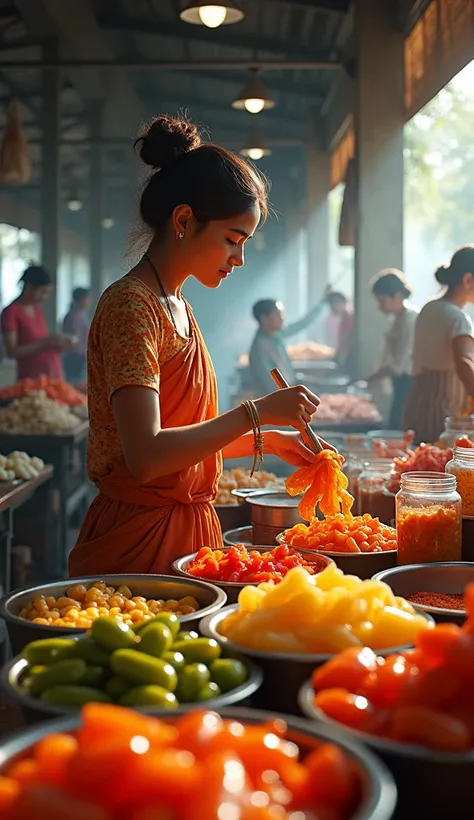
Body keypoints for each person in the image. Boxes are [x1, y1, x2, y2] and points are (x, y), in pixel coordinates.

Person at [69, 114, 323, 578]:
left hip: (189, 534)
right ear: (184, 219)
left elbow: (181, 443)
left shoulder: (177, 304)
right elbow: (148, 458)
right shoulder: (132, 307)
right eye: (232, 239)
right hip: (139, 539)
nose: (239, 258)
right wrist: (257, 413)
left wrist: (265, 441)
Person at [404, 246, 474, 443]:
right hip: (446, 408)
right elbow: (464, 362)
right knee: (443, 467)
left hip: (419, 402)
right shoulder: (458, 318)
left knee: (420, 467)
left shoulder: (428, 309)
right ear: (467, 280)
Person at [366, 269, 419, 429]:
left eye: (382, 301)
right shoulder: (397, 320)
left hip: (410, 383)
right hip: (400, 382)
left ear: (397, 296)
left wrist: (375, 376)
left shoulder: (412, 319)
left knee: (401, 427)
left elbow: (400, 365)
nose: (380, 307)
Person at [1, 265, 72, 380]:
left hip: (51, 373)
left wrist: (57, 344)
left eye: (47, 293)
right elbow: (12, 351)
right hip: (31, 378)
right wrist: (46, 343)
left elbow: (40, 341)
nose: (44, 297)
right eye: (42, 292)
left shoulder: (37, 310)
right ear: (28, 287)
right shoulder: (11, 312)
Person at [248, 296, 327, 395]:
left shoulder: (276, 336)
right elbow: (272, 387)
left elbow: (301, 324)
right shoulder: (260, 349)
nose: (283, 318)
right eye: (278, 315)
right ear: (264, 318)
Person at [62, 287, 91, 382]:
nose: (89, 301)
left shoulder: (81, 315)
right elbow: (75, 339)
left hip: (79, 355)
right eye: (88, 298)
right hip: (75, 356)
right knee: (75, 384)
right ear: (82, 299)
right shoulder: (74, 316)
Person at [325, 291, 354, 371]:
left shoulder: (349, 318)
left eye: (333, 304)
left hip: (349, 356)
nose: (331, 308)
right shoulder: (343, 318)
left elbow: (345, 340)